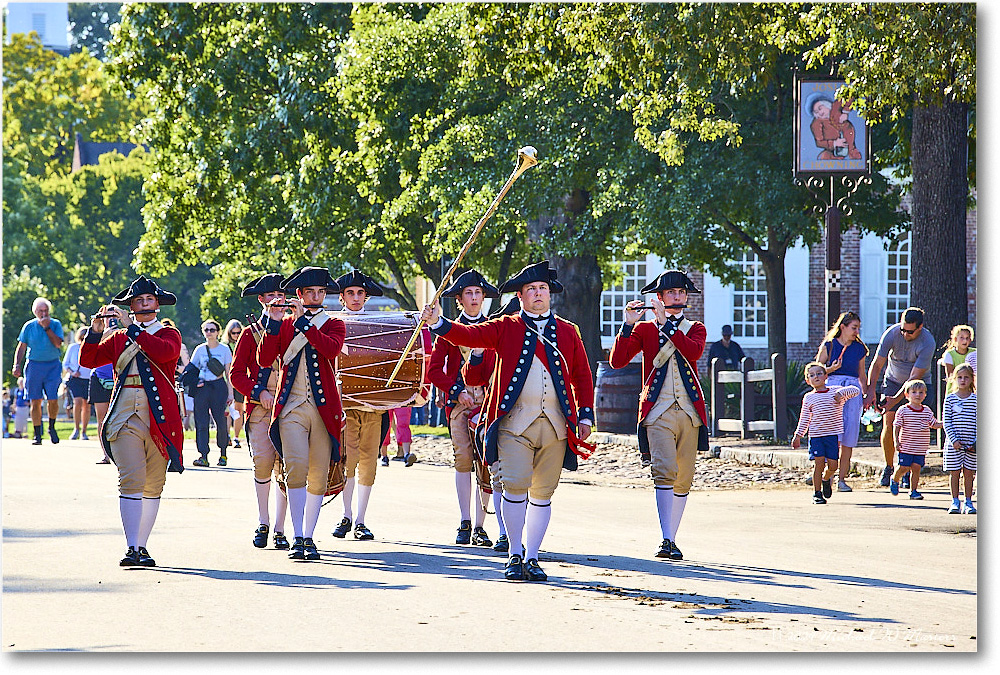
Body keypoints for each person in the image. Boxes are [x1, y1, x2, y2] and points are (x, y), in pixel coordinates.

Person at [420, 260, 595, 582]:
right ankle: (514, 553)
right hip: (514, 424)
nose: (538, 294)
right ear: (522, 296)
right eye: (531, 290)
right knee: (514, 487)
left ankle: (532, 556)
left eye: (542, 288)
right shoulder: (506, 327)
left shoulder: (569, 332)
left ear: (549, 294)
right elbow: (466, 334)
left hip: (556, 425)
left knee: (543, 494)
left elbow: (583, 376)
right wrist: (438, 323)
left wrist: (585, 413)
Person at [79, 275, 184, 567]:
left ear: (157, 305)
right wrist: (94, 331)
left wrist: (131, 328)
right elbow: (88, 361)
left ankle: (143, 544)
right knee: (131, 479)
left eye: (149, 300)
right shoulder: (119, 337)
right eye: (139, 301)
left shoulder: (168, 334)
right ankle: (132, 547)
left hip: (159, 417)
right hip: (125, 413)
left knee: (154, 484)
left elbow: (164, 353)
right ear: (132, 306)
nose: (145, 304)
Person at [611, 270, 707, 560]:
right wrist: (628, 325)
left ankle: (672, 535)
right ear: (660, 298)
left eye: (681, 293)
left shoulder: (695, 328)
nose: (677, 297)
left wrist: (668, 325)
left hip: (690, 412)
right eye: (671, 294)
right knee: (664, 471)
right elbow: (617, 361)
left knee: (684, 477)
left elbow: (693, 352)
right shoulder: (645, 330)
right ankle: (666, 538)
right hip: (657, 411)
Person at [258, 266, 345, 561]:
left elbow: (330, 349)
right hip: (291, 406)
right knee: (295, 468)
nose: (317, 297)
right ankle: (298, 537)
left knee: (318, 474)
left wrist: (303, 323)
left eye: (321, 292)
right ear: (299, 294)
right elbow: (264, 358)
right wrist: (272, 321)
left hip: (323, 409)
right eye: (310, 292)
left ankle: (309, 535)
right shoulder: (283, 325)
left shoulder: (334, 324)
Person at [427, 269, 499, 547]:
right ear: (459, 300)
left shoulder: (493, 329)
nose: (473, 298)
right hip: (459, 404)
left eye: (477, 293)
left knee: (487, 460)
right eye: (468, 293)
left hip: (488, 402)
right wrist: (456, 391)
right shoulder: (446, 332)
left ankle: (481, 526)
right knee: (463, 460)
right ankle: (465, 520)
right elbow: (434, 371)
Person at [231, 274, 290, 549]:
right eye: (270, 296)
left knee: (289, 468)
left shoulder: (292, 328)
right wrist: (259, 392)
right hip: (260, 408)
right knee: (264, 463)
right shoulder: (249, 333)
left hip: (290, 406)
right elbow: (236, 375)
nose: (277, 299)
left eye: (281, 294)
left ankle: (280, 528)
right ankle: (263, 520)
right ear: (262, 300)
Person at [331, 269, 390, 542]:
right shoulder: (332, 324)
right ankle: (346, 515)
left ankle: (361, 520)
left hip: (372, 405)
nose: (356, 298)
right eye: (350, 293)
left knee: (369, 462)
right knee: (347, 460)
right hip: (344, 405)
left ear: (366, 297)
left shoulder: (379, 324)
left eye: (360, 293)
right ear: (342, 297)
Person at [462, 294, 522, 553]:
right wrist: (476, 353)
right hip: (496, 414)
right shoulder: (493, 346)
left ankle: (519, 533)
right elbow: (473, 376)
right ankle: (503, 532)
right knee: (498, 477)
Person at [864, 307, 936, 488]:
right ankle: (889, 466)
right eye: (903, 329)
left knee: (913, 426)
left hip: (918, 384)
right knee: (889, 423)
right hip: (893, 380)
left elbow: (914, 378)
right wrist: (871, 390)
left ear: (920, 327)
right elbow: (878, 363)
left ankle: (907, 470)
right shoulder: (892, 333)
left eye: (909, 331)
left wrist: (893, 401)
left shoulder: (927, 342)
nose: (904, 334)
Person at [814, 311, 869, 492]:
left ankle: (842, 479)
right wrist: (831, 368)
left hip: (852, 391)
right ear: (843, 327)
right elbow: (816, 372)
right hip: (832, 389)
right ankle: (827, 477)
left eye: (858, 328)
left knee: (849, 435)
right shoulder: (829, 346)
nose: (856, 332)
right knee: (832, 433)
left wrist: (867, 394)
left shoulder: (859, 348)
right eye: (853, 328)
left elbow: (862, 373)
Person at [791, 362, 861, 504]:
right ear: (807, 380)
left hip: (832, 435)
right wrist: (798, 435)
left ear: (826, 376)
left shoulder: (835, 391)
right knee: (819, 464)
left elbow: (855, 390)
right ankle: (817, 493)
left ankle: (825, 479)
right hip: (816, 436)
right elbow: (804, 418)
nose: (816, 377)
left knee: (833, 465)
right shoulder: (809, 397)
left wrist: (841, 394)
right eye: (812, 375)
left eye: (819, 374)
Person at [11, 297, 65, 445]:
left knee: (52, 399)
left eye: (46, 310)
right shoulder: (28, 326)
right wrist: (16, 365)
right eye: (41, 311)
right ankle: (37, 434)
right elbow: (21, 347)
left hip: (52, 365)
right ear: (35, 312)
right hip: (34, 365)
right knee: (35, 400)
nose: (44, 313)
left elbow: (58, 344)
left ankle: (52, 427)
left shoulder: (55, 324)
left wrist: (47, 328)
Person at [189, 319, 234, 467]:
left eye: (212, 330)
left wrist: (230, 394)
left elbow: (229, 373)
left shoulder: (224, 349)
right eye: (206, 330)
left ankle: (223, 454)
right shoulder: (199, 349)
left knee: (220, 421)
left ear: (218, 332)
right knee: (201, 422)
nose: (209, 333)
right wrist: (195, 382)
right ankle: (203, 455)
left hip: (218, 386)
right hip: (202, 387)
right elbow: (191, 370)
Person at [889, 379, 943, 500]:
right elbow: (896, 426)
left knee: (916, 468)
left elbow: (934, 424)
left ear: (925, 394)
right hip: (906, 446)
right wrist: (896, 441)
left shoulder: (927, 411)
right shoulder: (903, 410)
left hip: (920, 447)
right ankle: (895, 478)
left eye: (921, 392)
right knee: (904, 467)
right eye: (914, 392)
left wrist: (946, 423)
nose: (917, 395)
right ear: (907, 394)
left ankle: (913, 490)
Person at [942, 364, 976, 515]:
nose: (963, 380)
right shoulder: (950, 399)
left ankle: (968, 501)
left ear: (971, 379)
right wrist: (953, 439)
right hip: (954, 444)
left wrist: (975, 442)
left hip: (971, 445)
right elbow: (946, 421)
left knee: (969, 473)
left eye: (966, 377)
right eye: (959, 377)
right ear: (954, 379)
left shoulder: (976, 400)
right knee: (954, 472)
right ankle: (955, 501)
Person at [62, 326, 93, 441]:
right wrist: (72, 372)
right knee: (77, 402)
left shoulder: (93, 347)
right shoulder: (73, 347)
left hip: (89, 379)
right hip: (76, 379)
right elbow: (65, 364)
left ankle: (84, 432)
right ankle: (76, 428)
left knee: (87, 405)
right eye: (82, 337)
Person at [223, 319, 246, 449]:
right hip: (227, 382)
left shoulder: (244, 343)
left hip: (240, 381)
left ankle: (236, 437)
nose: (236, 335)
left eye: (238, 332)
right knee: (227, 411)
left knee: (239, 410)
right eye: (233, 333)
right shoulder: (225, 346)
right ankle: (227, 436)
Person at [939, 324, 975, 396]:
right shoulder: (949, 354)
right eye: (962, 338)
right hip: (954, 390)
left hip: (971, 389)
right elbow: (950, 375)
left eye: (967, 338)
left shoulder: (974, 353)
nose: (965, 340)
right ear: (955, 339)